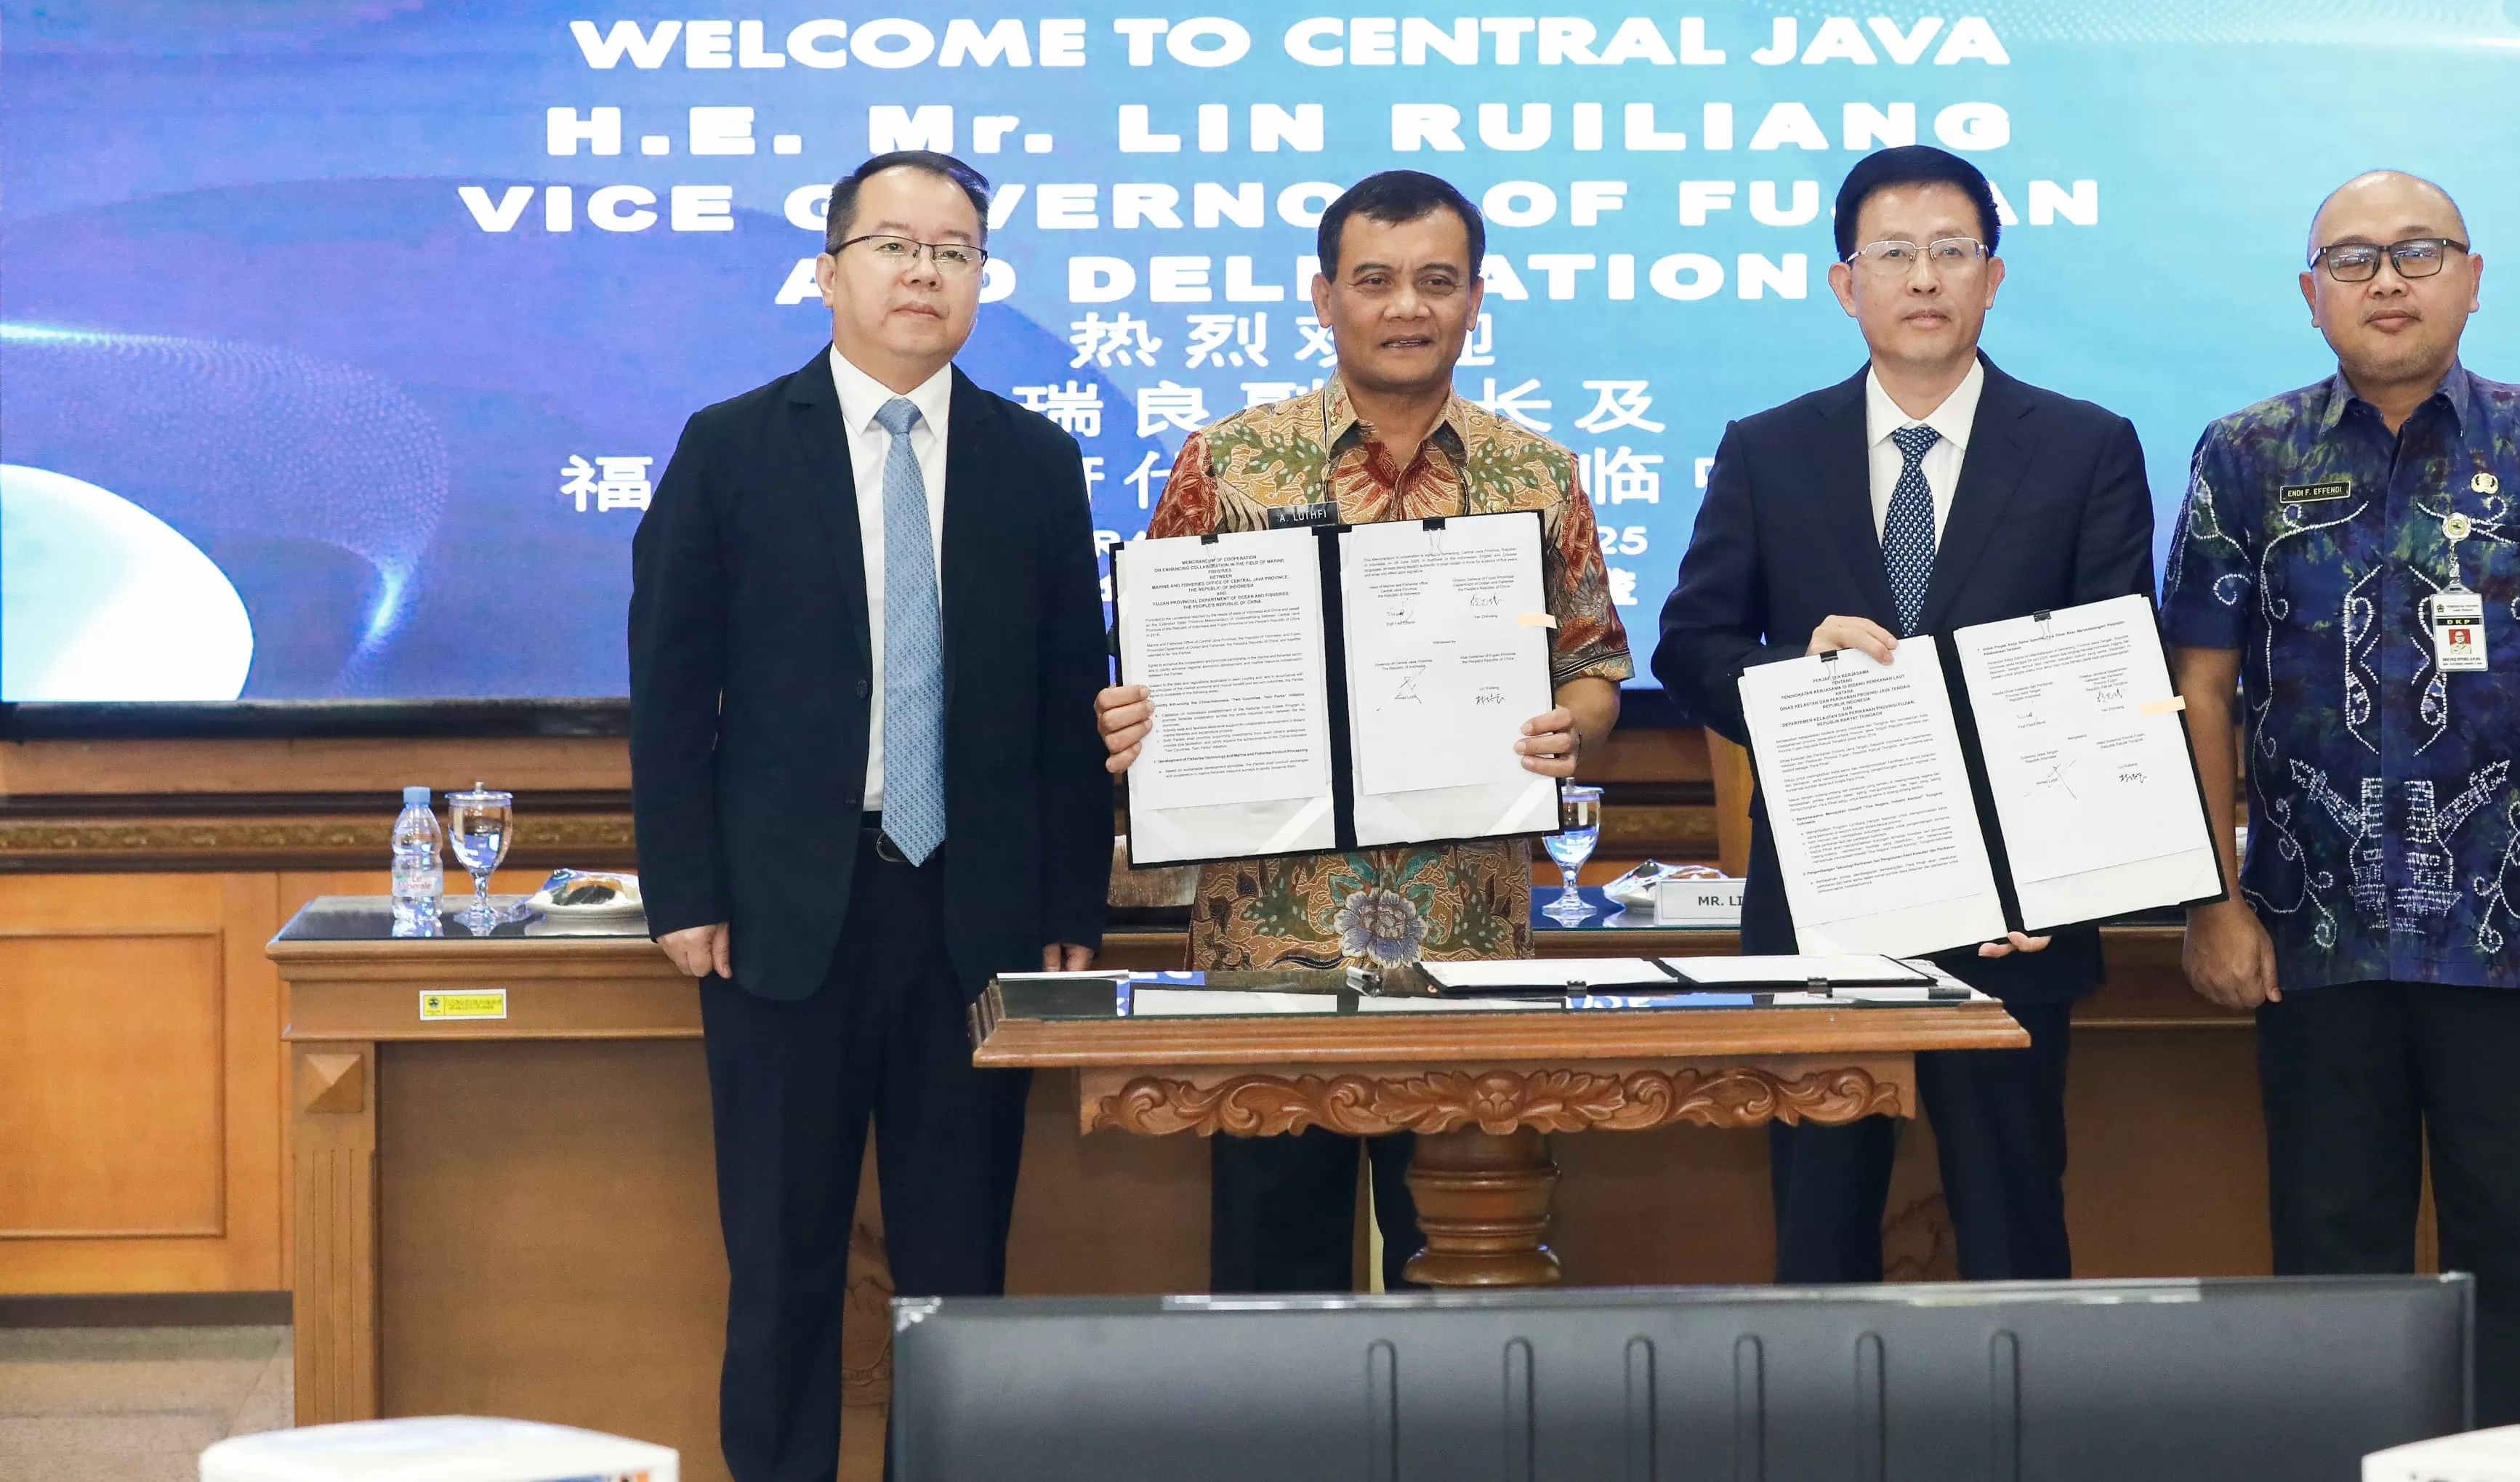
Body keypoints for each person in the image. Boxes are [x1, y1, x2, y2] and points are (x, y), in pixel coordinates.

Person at [629, 149, 1113, 1482]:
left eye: (954, 252)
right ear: (829, 269)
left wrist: (1071, 903)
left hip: (976, 917)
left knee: (959, 1271)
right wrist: (686, 891)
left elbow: (1068, 695)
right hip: (784, 916)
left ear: (981, 282)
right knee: (782, 1263)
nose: (924, 273)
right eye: (895, 246)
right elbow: (671, 690)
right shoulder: (731, 447)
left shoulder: (1032, 458)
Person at [2165, 168, 2520, 1426]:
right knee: (2334, 1257)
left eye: (2419, 252)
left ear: (2475, 277)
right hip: (2307, 931)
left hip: (2519, 929)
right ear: (2310, 295)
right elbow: (2201, 689)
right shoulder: (2246, 455)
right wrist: (2210, 901)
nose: (2387, 280)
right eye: (2354, 259)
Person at [1093, 169, 1632, 1292]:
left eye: (1437, 282)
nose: (1406, 308)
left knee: (1473, 1268)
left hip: (1468, 934)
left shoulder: (1538, 472)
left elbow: (1591, 665)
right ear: (1323, 296)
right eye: (1375, 281)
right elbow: (1156, 670)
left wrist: (1565, 733)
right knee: (1269, 1279)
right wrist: (1140, 720)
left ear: (1476, 299)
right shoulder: (1227, 463)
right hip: (1269, 947)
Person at [1653, 144, 2154, 1284]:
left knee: (2015, 1226)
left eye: (1951, 251)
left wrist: (2060, 879)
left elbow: (2113, 677)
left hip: (2014, 918)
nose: (1923, 277)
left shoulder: (2086, 448)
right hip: (1830, 909)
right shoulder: (1769, 449)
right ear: (1847, 283)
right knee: (1820, 1236)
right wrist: (1795, 671)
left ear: (1994, 276)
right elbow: (1693, 648)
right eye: (1893, 253)